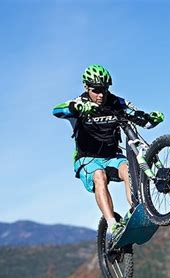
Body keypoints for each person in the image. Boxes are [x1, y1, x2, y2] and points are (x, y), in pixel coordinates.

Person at [53, 64, 164, 246]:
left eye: (104, 89)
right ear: (86, 87)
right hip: (87, 158)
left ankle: (137, 210)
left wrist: (151, 119)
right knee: (99, 176)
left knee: (128, 168)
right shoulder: (79, 103)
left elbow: (137, 115)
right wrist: (77, 107)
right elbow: (57, 110)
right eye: (96, 90)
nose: (101, 94)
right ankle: (112, 225)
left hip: (113, 155)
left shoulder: (117, 103)